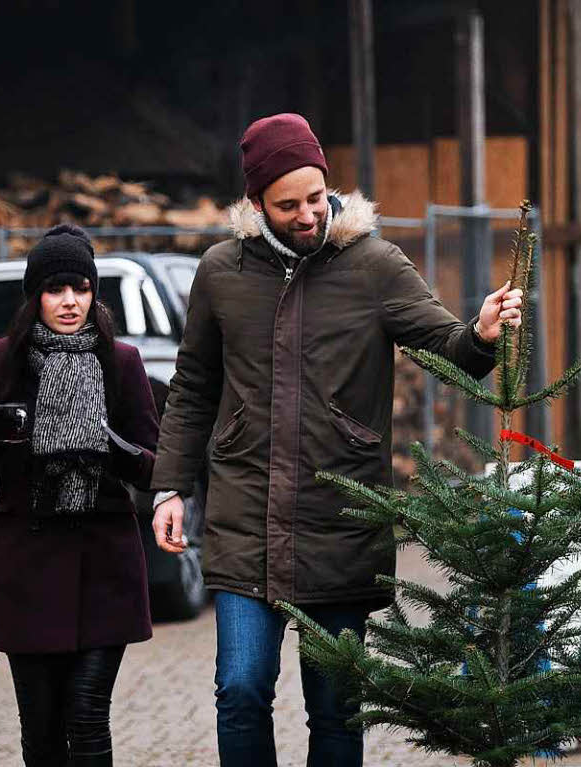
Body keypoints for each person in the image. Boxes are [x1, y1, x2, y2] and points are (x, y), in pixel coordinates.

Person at [150, 113, 524, 767]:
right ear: (257, 203)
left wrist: (484, 331)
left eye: (315, 198)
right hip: (245, 518)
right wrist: (169, 487)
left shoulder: (374, 264)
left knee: (335, 708)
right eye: (287, 204)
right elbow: (192, 387)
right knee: (239, 689)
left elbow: (449, 346)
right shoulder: (221, 272)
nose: (306, 214)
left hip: (340, 519)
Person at [0, 224, 158, 767]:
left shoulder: (121, 362)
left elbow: (155, 467)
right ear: (35, 296)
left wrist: (115, 448)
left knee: (89, 715)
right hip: (27, 566)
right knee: (41, 730)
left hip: (105, 565)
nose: (70, 302)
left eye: (82, 288)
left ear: (95, 293)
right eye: (55, 289)